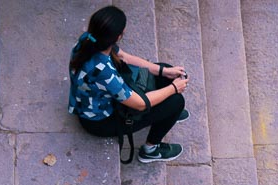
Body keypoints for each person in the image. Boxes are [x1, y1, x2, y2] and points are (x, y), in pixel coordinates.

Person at [68, 6, 189, 163]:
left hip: (96, 100)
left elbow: (125, 57)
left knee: (163, 74)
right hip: (99, 121)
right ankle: (150, 150)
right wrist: (174, 88)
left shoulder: (88, 39)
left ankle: (167, 112)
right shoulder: (105, 73)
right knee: (175, 101)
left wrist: (162, 71)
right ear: (118, 37)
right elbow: (139, 104)